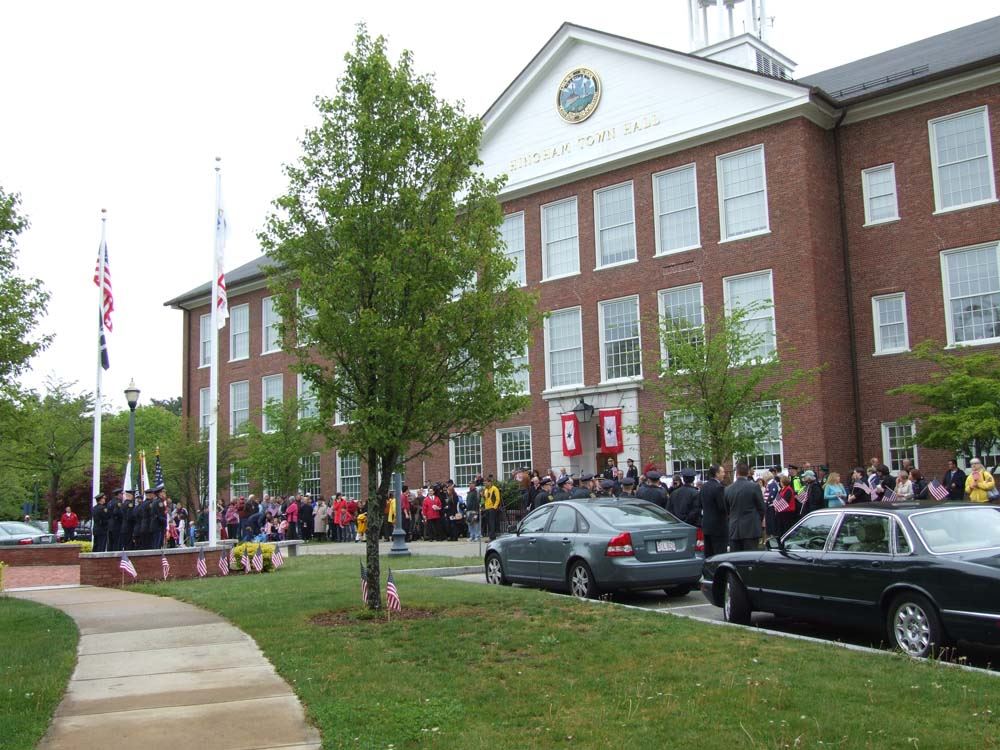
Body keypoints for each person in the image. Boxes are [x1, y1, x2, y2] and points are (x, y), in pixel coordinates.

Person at [724, 462, 765, 551]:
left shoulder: (728, 489)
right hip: (751, 529)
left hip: (734, 529)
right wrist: (757, 521)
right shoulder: (754, 487)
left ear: (737, 473)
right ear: (747, 472)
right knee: (750, 557)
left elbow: (727, 510)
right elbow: (762, 508)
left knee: (736, 557)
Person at [699, 464, 727, 557]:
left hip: (706, 526)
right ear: (716, 474)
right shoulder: (719, 487)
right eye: (722, 472)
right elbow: (722, 507)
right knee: (719, 555)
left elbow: (700, 504)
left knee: (708, 554)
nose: (724, 474)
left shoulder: (703, 487)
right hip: (718, 527)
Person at [482, 477, 501, 541]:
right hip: (487, 508)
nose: (485, 484)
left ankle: (492, 537)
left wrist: (494, 507)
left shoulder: (494, 489)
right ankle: (491, 536)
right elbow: (486, 499)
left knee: (492, 522)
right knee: (489, 523)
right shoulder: (486, 490)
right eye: (484, 483)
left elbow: (498, 499)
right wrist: (483, 496)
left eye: (486, 483)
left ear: (489, 482)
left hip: (492, 508)